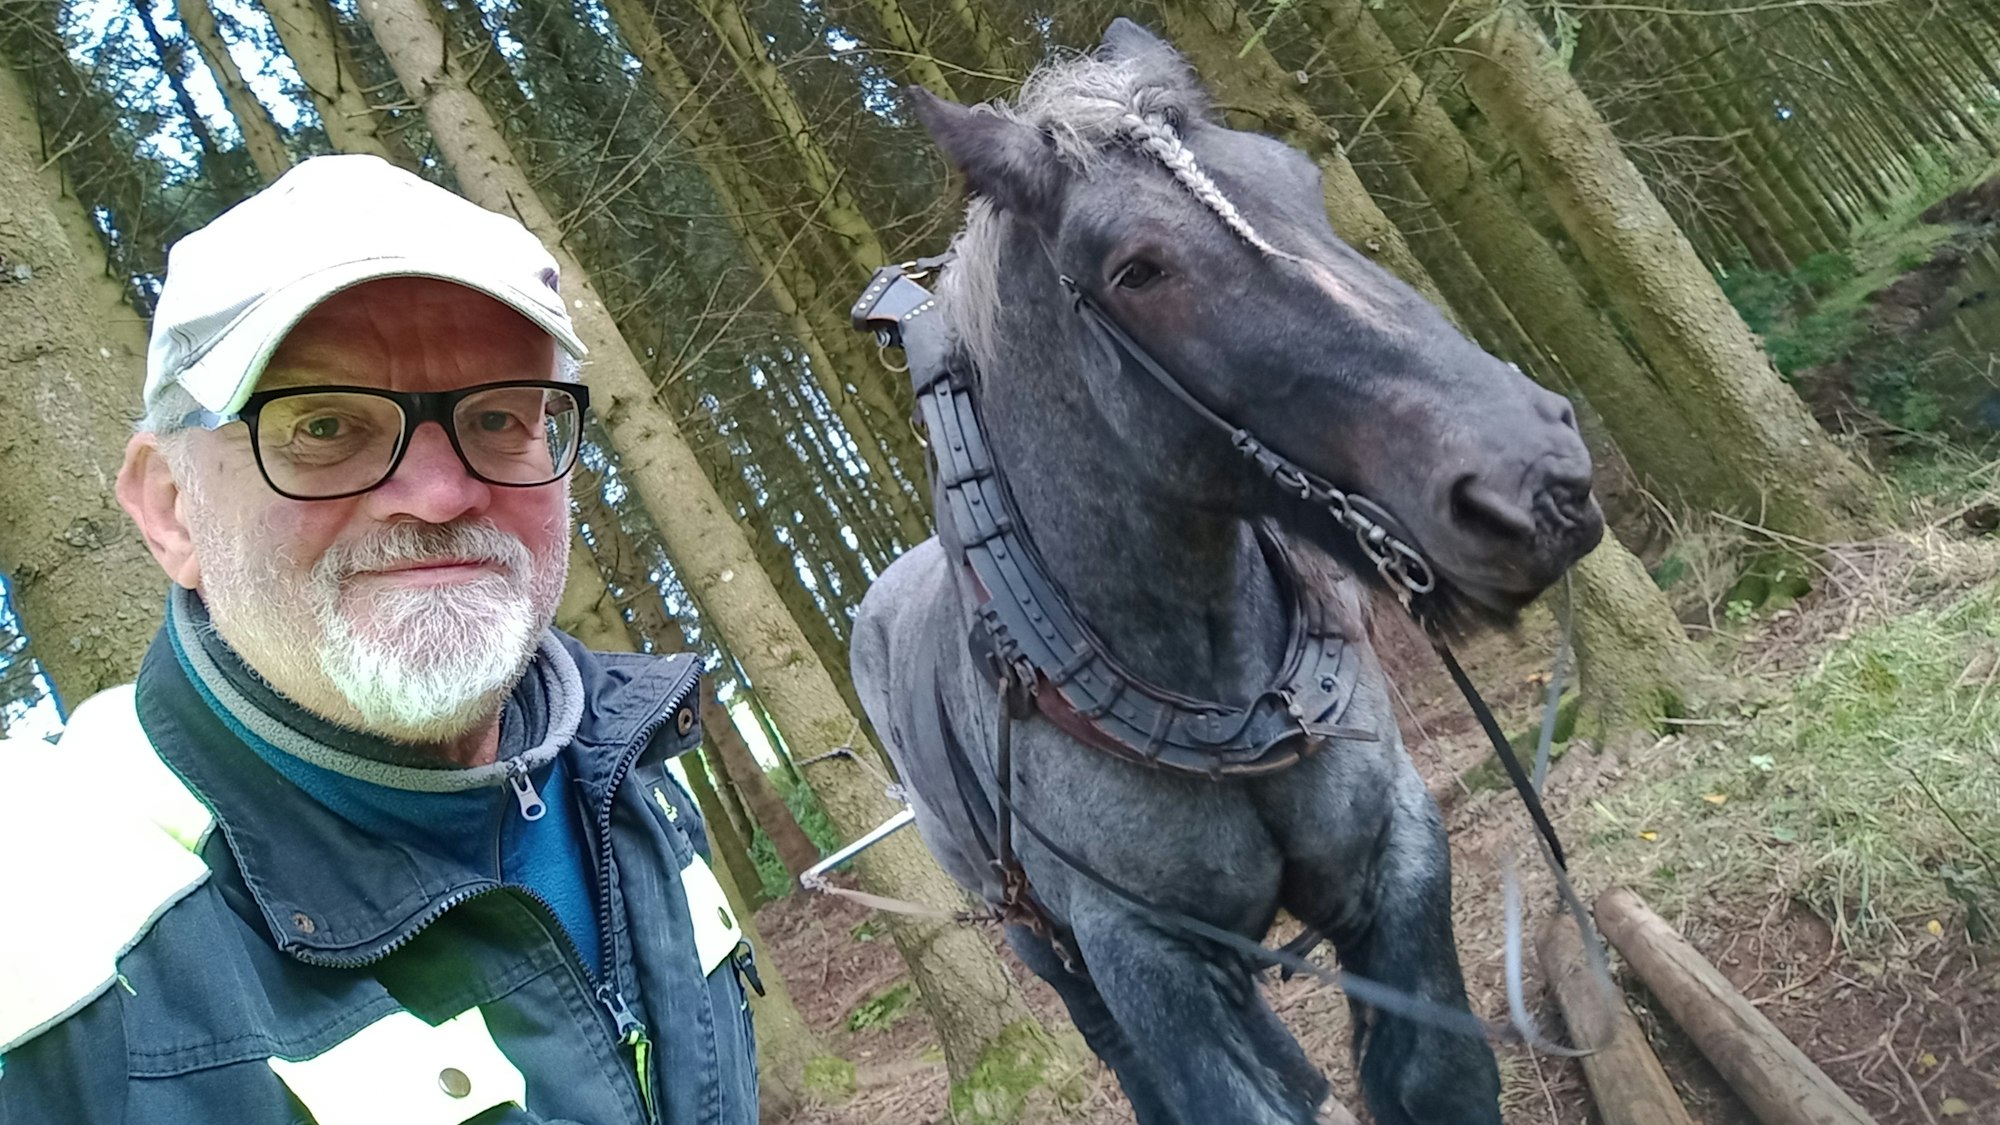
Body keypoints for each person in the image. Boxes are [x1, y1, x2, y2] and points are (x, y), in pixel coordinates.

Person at [0, 154, 760, 1124]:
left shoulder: (627, 765)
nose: (442, 495)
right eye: (325, 425)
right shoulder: (47, 946)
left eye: (496, 417)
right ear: (170, 509)